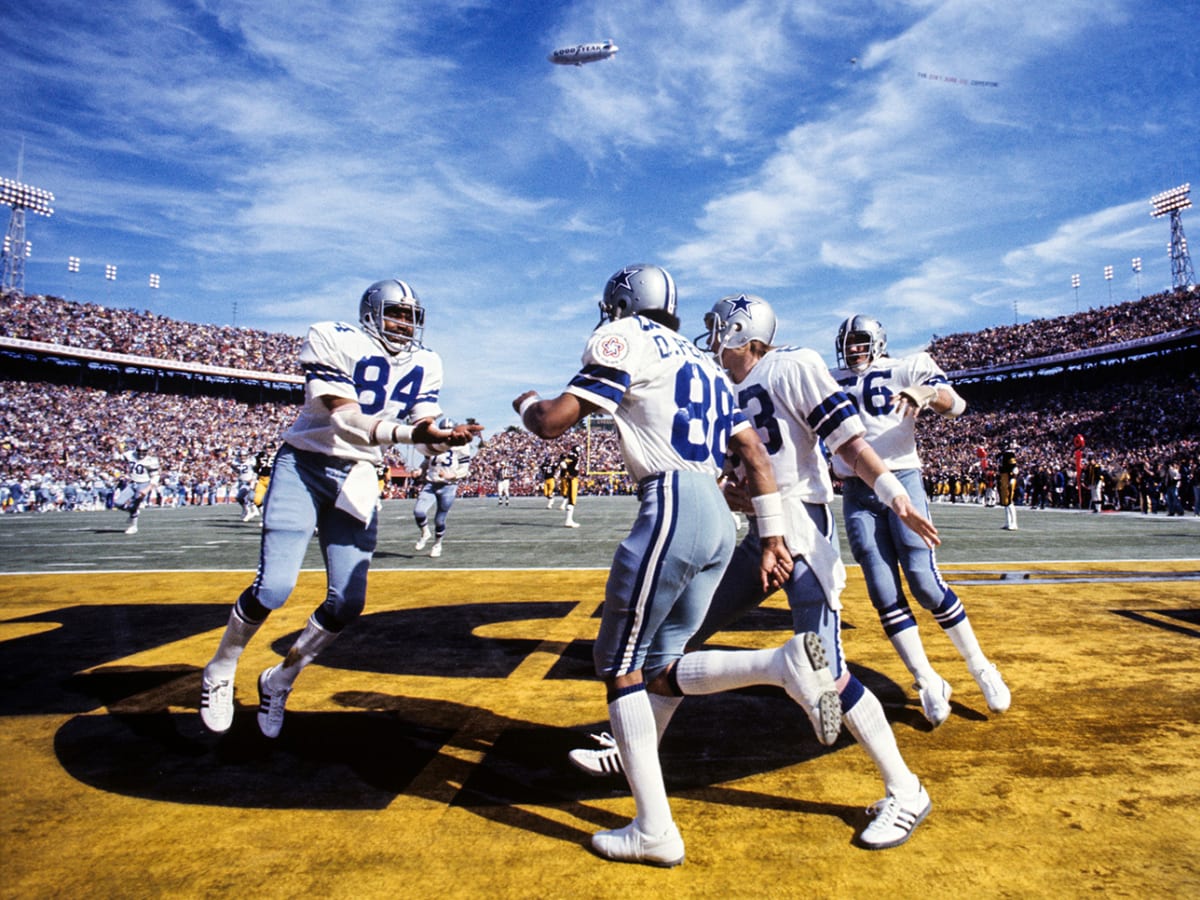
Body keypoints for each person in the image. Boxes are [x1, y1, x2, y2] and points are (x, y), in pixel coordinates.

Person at [571, 294, 942, 851]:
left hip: (802, 528)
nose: (710, 336)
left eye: (720, 327)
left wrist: (892, 494)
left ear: (746, 334)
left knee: (826, 668)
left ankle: (905, 789)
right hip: (763, 533)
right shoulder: (720, 385)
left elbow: (846, 439)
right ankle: (635, 748)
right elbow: (744, 471)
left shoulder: (793, 364)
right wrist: (737, 496)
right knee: (674, 641)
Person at [513, 265, 797, 868]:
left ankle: (654, 828)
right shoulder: (707, 365)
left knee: (617, 664)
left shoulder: (625, 338)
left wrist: (527, 403)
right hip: (722, 523)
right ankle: (778, 663)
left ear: (619, 303)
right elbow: (755, 457)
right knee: (664, 667)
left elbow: (553, 424)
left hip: (670, 504)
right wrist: (772, 539)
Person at [198, 278, 482, 739]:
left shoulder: (427, 361)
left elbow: (422, 418)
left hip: (359, 474)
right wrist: (416, 437)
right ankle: (221, 666)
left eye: (411, 317)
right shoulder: (333, 337)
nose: (404, 324)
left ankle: (280, 678)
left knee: (348, 602)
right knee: (273, 588)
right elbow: (346, 418)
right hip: (306, 465)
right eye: (395, 313)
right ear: (371, 312)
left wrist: (440, 436)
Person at [830, 314, 1010, 727]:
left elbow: (956, 404)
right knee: (881, 588)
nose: (854, 348)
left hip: (903, 479)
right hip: (858, 491)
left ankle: (981, 665)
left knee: (925, 582)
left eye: (860, 341)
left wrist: (924, 393)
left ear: (877, 341)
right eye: (848, 342)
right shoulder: (829, 377)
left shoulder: (907, 366)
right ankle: (927, 679)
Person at [413, 416, 479, 558]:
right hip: (431, 483)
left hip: (448, 486)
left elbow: (465, 468)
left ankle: (438, 544)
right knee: (419, 511)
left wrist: (452, 475)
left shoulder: (461, 445)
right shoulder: (433, 442)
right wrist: (420, 470)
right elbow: (427, 461)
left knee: (439, 520)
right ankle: (425, 532)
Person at [115, 440, 160, 534]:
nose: (141, 453)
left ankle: (133, 526)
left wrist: (147, 489)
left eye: (144, 451)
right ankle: (132, 512)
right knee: (118, 503)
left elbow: (156, 476)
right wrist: (115, 448)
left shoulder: (151, 460)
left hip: (144, 484)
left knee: (134, 505)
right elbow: (117, 458)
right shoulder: (130, 454)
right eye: (140, 451)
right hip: (132, 483)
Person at [556, 444, 582, 527]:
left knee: (572, 499)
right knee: (572, 499)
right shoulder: (572, 455)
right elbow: (563, 462)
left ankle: (569, 520)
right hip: (571, 479)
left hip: (573, 478)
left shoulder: (574, 455)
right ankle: (568, 521)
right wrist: (568, 473)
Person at [232, 451, 259, 522]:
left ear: (247, 456)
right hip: (242, 482)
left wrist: (253, 479)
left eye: (244, 456)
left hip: (250, 481)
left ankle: (251, 511)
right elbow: (238, 471)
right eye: (241, 456)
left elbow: (256, 471)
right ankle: (247, 510)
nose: (242, 457)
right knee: (239, 498)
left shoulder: (251, 462)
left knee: (250, 497)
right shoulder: (236, 462)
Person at [998, 443, 1020, 530]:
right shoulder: (1002, 455)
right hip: (1004, 477)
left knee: (1009, 501)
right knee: (1005, 501)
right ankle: (1008, 522)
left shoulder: (1009, 454)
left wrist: (1012, 477)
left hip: (1008, 477)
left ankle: (1014, 523)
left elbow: (1014, 468)